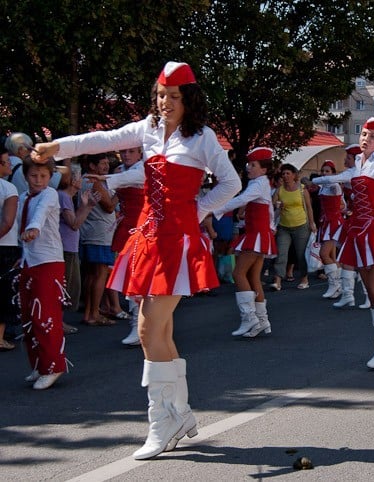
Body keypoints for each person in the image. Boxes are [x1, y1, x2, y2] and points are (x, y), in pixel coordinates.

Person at [32, 61, 241, 460]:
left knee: (148, 330)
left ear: (189, 100)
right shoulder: (145, 129)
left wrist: (196, 213)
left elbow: (231, 183)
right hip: (146, 235)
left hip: (175, 239)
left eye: (173, 97)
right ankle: (177, 413)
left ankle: (161, 423)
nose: (164, 103)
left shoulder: (201, 138)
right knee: (159, 332)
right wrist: (56, 146)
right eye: (161, 95)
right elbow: (101, 139)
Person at [312, 118, 374, 368]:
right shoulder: (358, 163)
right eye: (364, 134)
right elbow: (336, 179)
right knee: (369, 290)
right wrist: (313, 182)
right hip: (359, 231)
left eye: (373, 136)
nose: (366, 138)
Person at [17, 157, 68, 389]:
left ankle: (54, 366)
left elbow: (40, 215)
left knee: (45, 316)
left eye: (43, 176)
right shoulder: (22, 198)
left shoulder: (49, 194)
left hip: (48, 261)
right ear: (25, 176)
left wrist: (33, 229)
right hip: (29, 260)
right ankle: (39, 363)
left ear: (50, 177)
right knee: (28, 317)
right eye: (33, 176)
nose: (38, 181)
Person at [216, 147, 276, 338]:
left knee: (238, 273)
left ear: (263, 169)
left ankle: (249, 319)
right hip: (258, 233)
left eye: (252, 165)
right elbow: (267, 211)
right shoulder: (261, 183)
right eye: (248, 164)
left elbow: (241, 200)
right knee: (253, 278)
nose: (248, 168)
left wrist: (214, 209)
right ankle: (262, 319)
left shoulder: (258, 184)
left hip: (256, 235)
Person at [319, 145, 371, 309]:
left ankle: (370, 295)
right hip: (352, 220)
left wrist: (311, 180)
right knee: (347, 257)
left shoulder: (361, 174)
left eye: (347, 157)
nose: (344, 160)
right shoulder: (350, 175)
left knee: (363, 259)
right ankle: (347, 295)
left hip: (365, 221)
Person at [105, 146, 145, 345]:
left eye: (131, 151)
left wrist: (104, 179)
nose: (126, 155)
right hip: (127, 226)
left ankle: (145, 326)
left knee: (141, 279)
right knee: (132, 278)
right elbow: (110, 203)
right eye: (123, 151)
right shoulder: (122, 170)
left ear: (140, 152)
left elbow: (133, 178)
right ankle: (139, 326)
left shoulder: (143, 169)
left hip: (144, 228)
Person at [77, 153, 119, 326]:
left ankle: (89, 312)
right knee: (100, 273)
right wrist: (121, 191)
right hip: (100, 233)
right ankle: (94, 313)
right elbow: (109, 206)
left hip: (90, 232)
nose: (106, 166)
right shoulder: (93, 182)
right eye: (102, 163)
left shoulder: (86, 180)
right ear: (92, 166)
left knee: (91, 274)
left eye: (107, 163)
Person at [57, 166, 97, 334]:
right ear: (73, 180)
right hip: (64, 248)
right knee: (65, 287)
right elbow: (74, 224)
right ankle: (59, 322)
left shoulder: (67, 197)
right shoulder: (64, 197)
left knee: (69, 285)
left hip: (69, 247)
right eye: (79, 177)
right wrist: (87, 208)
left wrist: (86, 205)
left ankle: (60, 321)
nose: (81, 180)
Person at [270, 163, 316, 291]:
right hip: (284, 226)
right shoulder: (279, 190)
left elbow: (309, 207)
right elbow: (272, 205)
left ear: (294, 175)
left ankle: (304, 278)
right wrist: (278, 205)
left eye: (288, 173)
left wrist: (312, 223)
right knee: (281, 253)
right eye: (283, 174)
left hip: (301, 225)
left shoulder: (302, 189)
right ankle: (277, 280)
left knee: (301, 254)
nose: (285, 176)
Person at [315, 160, 346, 298]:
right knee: (333, 256)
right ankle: (339, 286)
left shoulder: (334, 186)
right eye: (323, 171)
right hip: (325, 222)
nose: (324, 174)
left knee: (324, 254)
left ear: (333, 173)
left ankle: (335, 285)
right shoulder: (323, 187)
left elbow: (341, 203)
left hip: (333, 222)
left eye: (327, 171)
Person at [0, 143, 19, 351]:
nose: (10, 166)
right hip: (5, 246)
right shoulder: (8, 188)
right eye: (6, 162)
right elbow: (7, 222)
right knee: (4, 292)